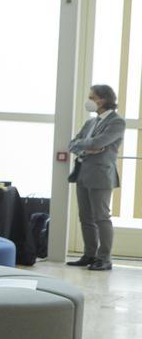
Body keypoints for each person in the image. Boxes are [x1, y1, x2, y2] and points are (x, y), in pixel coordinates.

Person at [67, 84, 125, 271]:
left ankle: (104, 258)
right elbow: (72, 144)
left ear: (103, 99)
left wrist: (86, 145)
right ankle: (89, 255)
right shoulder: (90, 122)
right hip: (83, 173)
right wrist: (88, 146)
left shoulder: (116, 122)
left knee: (101, 217)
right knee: (85, 217)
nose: (89, 100)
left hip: (101, 175)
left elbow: (100, 142)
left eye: (92, 97)